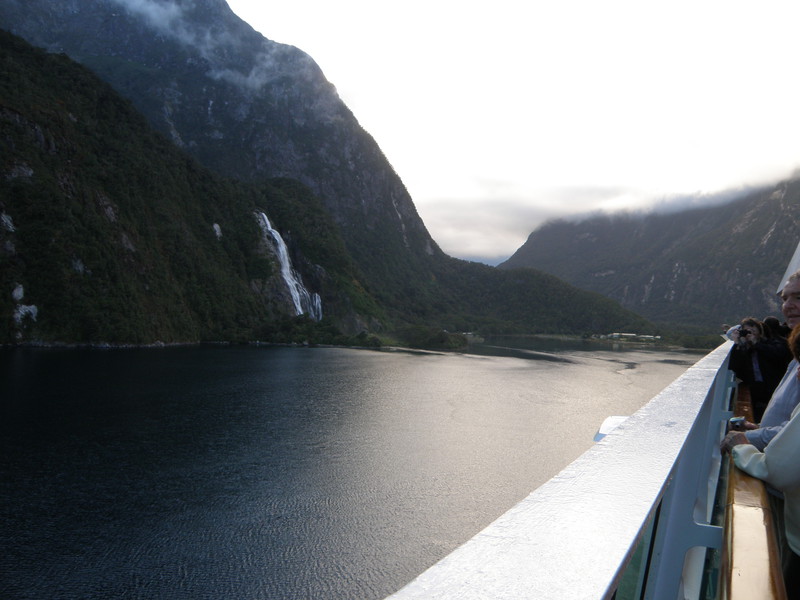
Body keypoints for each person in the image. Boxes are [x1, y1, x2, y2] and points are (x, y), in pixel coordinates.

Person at [723, 270, 800, 597]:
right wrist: (764, 431)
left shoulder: (783, 349)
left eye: (798, 297)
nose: (788, 305)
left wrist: (744, 444)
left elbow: (779, 467)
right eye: (784, 297)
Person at [728, 316, 792, 422]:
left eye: (753, 330)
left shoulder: (772, 342)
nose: (749, 333)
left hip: (774, 389)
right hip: (755, 392)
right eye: (747, 331)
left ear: (759, 330)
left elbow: (778, 355)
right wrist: (737, 344)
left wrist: (756, 344)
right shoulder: (744, 348)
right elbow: (734, 367)